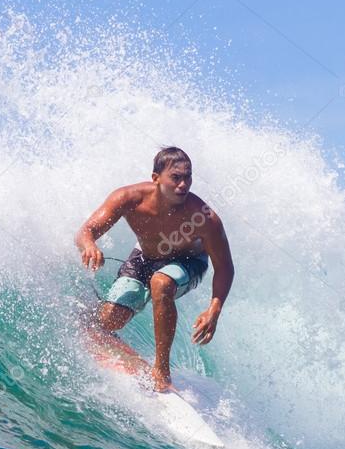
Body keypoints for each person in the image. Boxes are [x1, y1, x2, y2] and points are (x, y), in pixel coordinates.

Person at [75, 147, 234, 392]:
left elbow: (224, 267)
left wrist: (215, 308)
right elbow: (86, 231)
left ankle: (161, 370)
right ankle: (92, 311)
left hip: (188, 262)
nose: (183, 185)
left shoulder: (204, 217)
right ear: (155, 177)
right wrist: (89, 246)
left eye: (187, 177)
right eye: (176, 178)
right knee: (109, 321)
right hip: (145, 256)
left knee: (161, 282)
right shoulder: (129, 198)